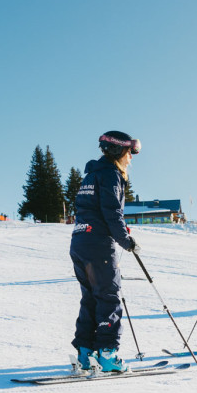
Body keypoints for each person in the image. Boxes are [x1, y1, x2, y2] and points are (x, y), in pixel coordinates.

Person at [70, 131, 142, 372]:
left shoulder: (91, 174)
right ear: (117, 151)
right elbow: (112, 211)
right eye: (129, 152)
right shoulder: (111, 174)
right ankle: (108, 355)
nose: (131, 157)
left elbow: (96, 210)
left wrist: (117, 231)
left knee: (91, 298)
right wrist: (125, 240)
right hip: (98, 245)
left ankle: (85, 353)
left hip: (80, 241)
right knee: (109, 297)